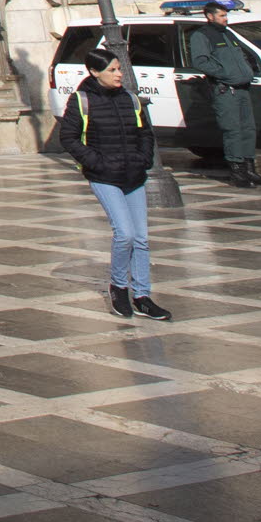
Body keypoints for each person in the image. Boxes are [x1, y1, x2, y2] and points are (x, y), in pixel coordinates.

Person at [46, 49, 171, 320]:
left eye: (119, 69)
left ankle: (143, 296)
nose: (119, 74)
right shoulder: (81, 100)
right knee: (124, 233)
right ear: (94, 72)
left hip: (133, 174)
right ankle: (118, 288)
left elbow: (145, 133)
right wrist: (96, 162)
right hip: (104, 176)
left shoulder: (130, 98)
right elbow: (69, 138)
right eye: (112, 70)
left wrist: (143, 159)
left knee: (141, 238)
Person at [179, 2, 261, 188]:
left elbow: (240, 57)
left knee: (248, 129)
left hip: (242, 88)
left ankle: (250, 169)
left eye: (225, 15)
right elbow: (201, 61)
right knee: (233, 130)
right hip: (225, 89)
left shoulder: (226, 33)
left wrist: (246, 72)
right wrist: (227, 75)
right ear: (210, 16)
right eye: (221, 16)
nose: (225, 19)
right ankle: (237, 172)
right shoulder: (202, 35)